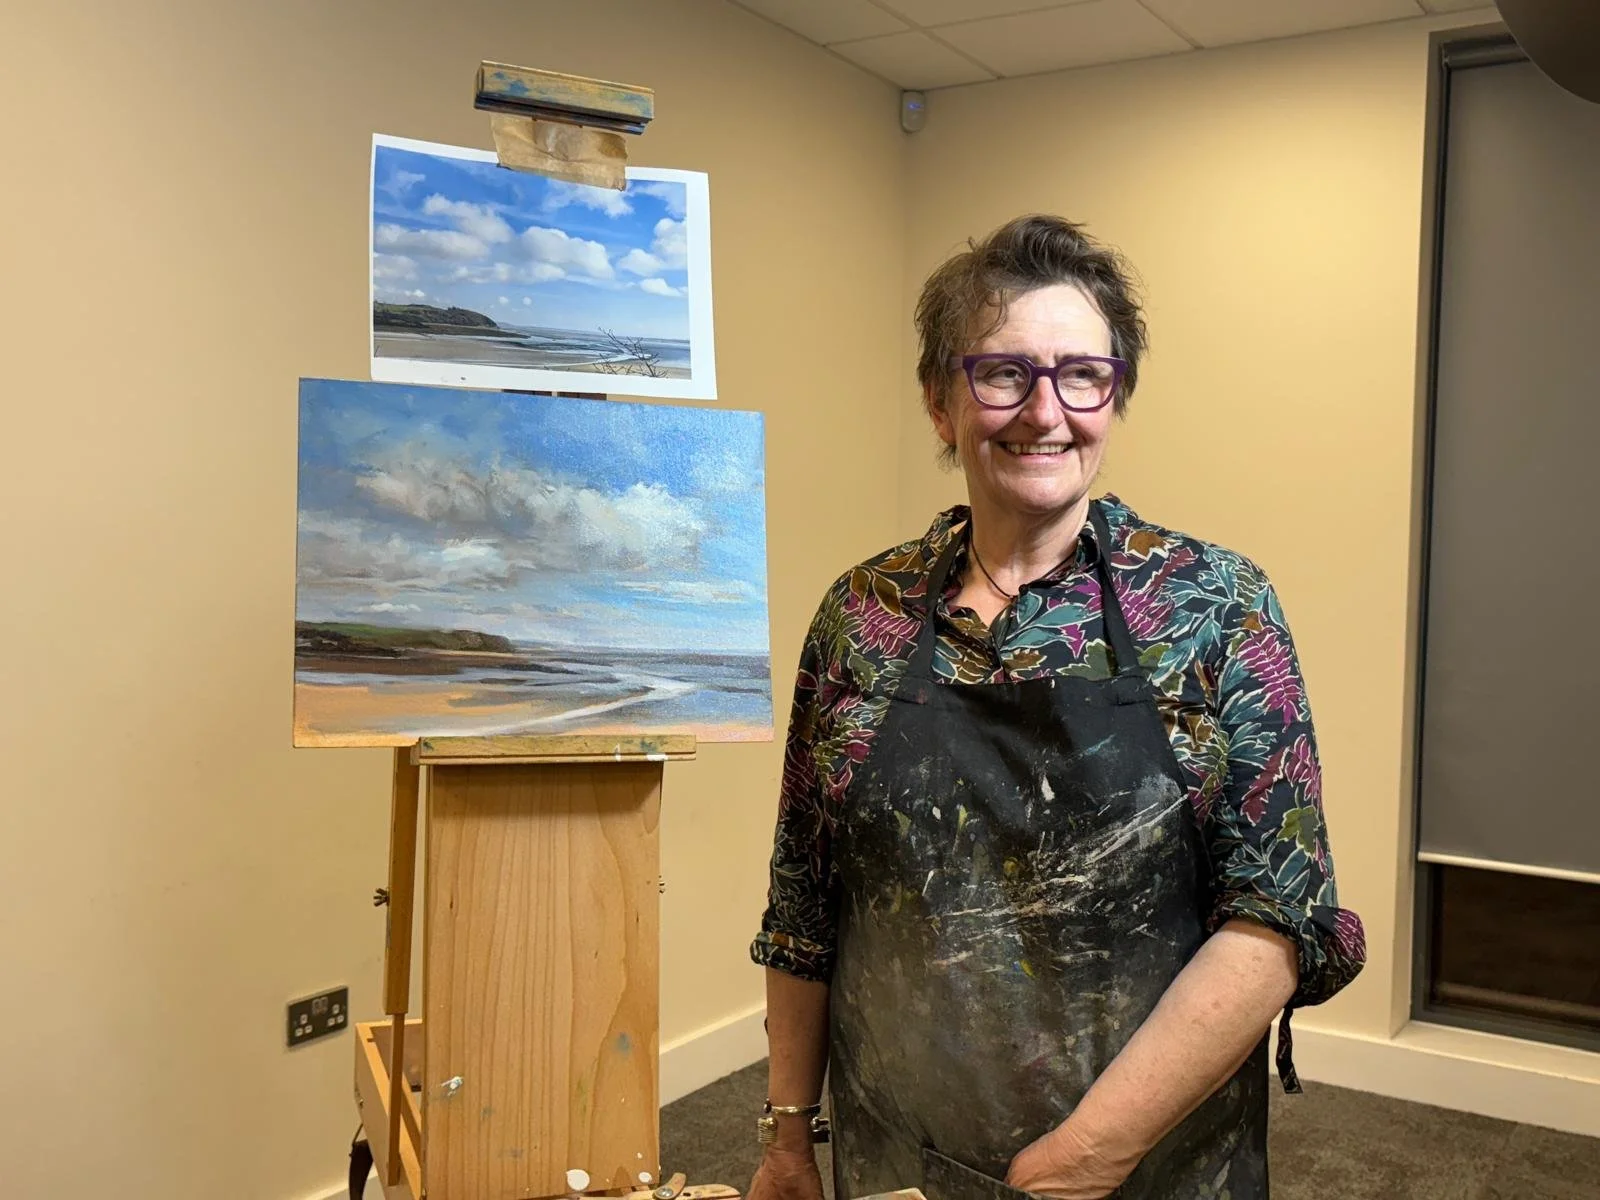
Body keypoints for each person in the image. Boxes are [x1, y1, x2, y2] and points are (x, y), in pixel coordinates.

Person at [746, 215, 1366, 1200]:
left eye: (1082, 375)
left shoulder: (1213, 607)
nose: (1046, 411)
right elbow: (805, 904)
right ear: (940, 402)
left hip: (1148, 1172)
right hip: (901, 1164)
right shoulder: (862, 615)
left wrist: (1087, 1157)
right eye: (1004, 373)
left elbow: (1277, 916)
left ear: (1113, 396)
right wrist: (788, 1135)